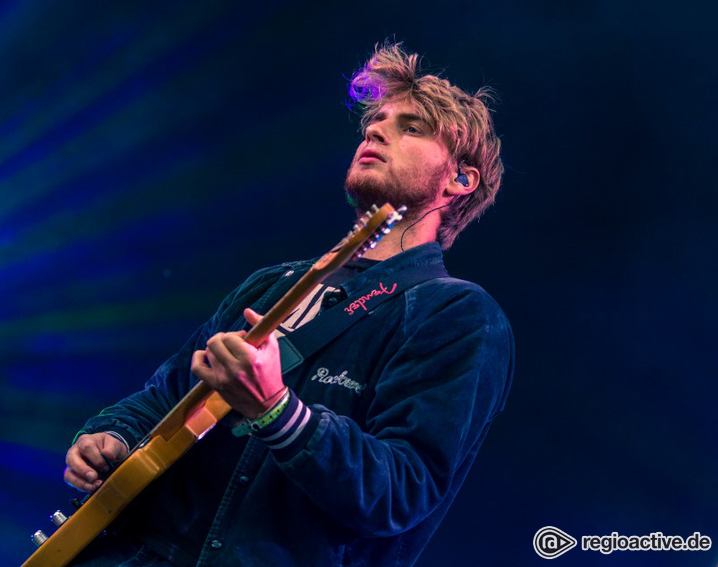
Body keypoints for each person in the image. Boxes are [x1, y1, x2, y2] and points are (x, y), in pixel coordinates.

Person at [63, 43, 515, 567]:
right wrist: (111, 436)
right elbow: (164, 396)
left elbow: (400, 490)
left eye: (412, 128)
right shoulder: (273, 284)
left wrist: (277, 410)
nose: (374, 131)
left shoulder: (457, 315)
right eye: (377, 121)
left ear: (459, 180)